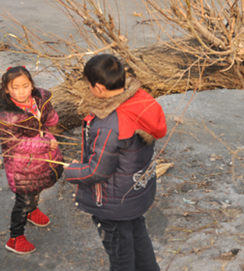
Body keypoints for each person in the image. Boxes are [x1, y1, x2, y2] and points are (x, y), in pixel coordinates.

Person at [64, 54, 167, 271]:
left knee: (121, 256)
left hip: (113, 203)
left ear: (99, 88)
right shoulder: (139, 100)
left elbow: (97, 171)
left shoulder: (108, 125)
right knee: (138, 237)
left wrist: (71, 170)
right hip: (134, 194)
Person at [0, 66, 64, 255]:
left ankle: (33, 210)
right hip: (22, 165)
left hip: (42, 159)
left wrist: (50, 115)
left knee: (38, 186)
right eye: (15, 87)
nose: (21, 91)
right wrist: (44, 144)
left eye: (25, 85)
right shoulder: (7, 117)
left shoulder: (39, 98)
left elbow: (48, 118)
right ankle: (15, 237)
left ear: (31, 84)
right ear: (7, 89)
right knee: (23, 199)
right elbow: (17, 145)